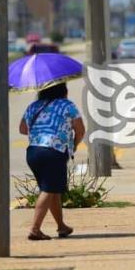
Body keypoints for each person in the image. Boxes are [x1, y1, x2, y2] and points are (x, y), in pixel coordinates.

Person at [19, 82, 85, 240]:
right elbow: (80, 130)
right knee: (48, 190)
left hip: (34, 151)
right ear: (64, 91)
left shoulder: (33, 106)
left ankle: (61, 226)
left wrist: (40, 130)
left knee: (53, 189)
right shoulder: (67, 105)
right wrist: (74, 144)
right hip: (54, 151)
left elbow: (22, 129)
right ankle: (35, 229)